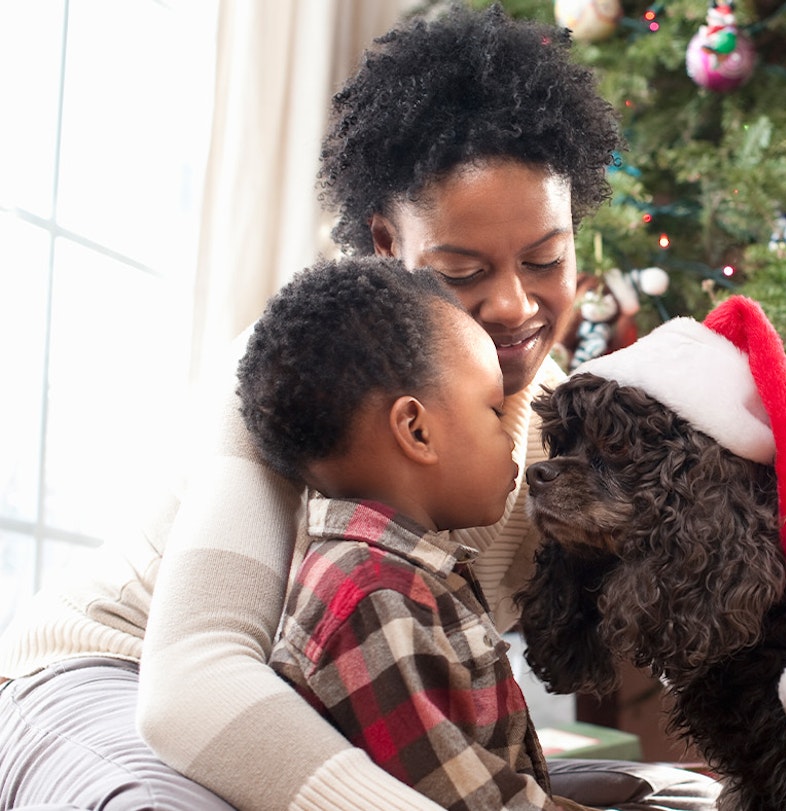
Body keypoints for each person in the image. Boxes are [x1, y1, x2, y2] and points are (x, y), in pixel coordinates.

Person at [0, 5, 720, 810]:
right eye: (462, 268)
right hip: (111, 674)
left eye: (546, 257)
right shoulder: (310, 367)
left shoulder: (568, 430)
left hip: (329, 717)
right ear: (387, 244)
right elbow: (192, 687)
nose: (515, 304)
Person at [240, 256, 580, 811]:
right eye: (494, 411)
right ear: (416, 429)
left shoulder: (407, 576)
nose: (512, 437)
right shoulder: (375, 597)